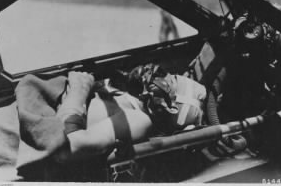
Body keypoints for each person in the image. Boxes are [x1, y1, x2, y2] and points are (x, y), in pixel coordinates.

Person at [52, 64, 207, 164]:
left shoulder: (139, 119)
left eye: (171, 81)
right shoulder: (133, 94)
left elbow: (70, 147)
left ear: (170, 107)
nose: (159, 72)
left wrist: (80, 88)